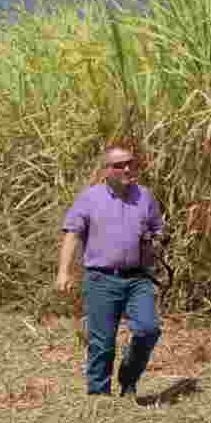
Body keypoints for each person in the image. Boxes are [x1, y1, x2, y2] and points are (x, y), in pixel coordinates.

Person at [55, 144, 165, 398]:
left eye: (130, 163)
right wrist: (64, 271)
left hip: (139, 278)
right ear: (106, 171)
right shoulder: (90, 198)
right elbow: (72, 233)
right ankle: (99, 398)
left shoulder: (145, 197)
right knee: (102, 344)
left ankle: (128, 380)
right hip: (101, 278)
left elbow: (157, 230)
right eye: (119, 165)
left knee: (148, 329)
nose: (127, 168)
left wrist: (156, 240)